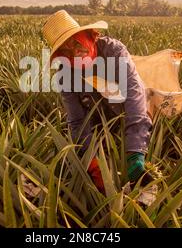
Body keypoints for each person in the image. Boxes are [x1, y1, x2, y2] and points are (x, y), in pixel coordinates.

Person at [42, 10, 153, 193]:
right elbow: (77, 121)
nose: (75, 52)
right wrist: (90, 160)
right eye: (66, 51)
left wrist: (135, 151)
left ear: (90, 35)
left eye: (76, 42)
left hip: (130, 115)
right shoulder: (65, 75)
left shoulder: (113, 51)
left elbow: (134, 93)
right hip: (100, 128)